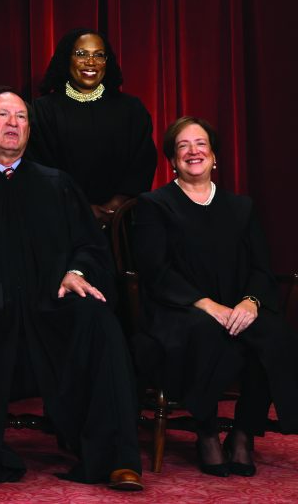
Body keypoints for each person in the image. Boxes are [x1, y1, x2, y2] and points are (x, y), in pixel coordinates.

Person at [0, 87, 143, 490]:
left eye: (21, 117)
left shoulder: (58, 186)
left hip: (49, 302)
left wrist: (77, 271)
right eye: (2, 115)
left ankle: (113, 457)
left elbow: (90, 246)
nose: (13, 124)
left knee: (97, 319)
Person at [132, 116, 298, 477]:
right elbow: (156, 271)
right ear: (173, 160)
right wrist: (208, 305)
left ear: (214, 156)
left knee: (275, 336)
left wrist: (251, 302)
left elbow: (260, 267)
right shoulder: (154, 205)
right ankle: (206, 432)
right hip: (178, 308)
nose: (194, 151)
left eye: (201, 144)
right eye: (183, 146)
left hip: (237, 305)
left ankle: (242, 433)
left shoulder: (241, 208)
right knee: (204, 332)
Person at [27, 28, 156, 225]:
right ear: (66, 58)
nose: (91, 62)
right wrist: (81, 210)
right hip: (62, 222)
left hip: (121, 224)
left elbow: (143, 161)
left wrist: (116, 205)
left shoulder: (131, 109)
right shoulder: (42, 111)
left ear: (107, 61)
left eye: (98, 55)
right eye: (81, 54)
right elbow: (40, 167)